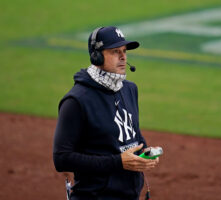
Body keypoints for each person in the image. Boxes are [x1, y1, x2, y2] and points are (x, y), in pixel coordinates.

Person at [53, 26, 159, 200]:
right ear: (97, 55)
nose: (123, 57)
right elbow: (61, 158)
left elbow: (134, 136)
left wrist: (145, 153)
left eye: (124, 51)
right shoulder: (76, 101)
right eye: (115, 51)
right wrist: (118, 162)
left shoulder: (129, 89)